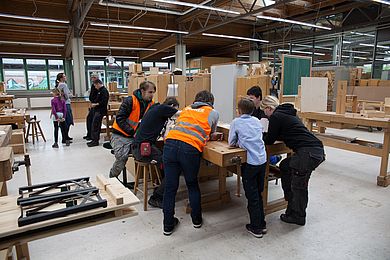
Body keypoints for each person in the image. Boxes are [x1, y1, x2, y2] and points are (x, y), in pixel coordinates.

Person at [260, 95, 325, 226]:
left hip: (308, 153)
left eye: (264, 111)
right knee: (285, 165)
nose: (265, 115)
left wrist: (259, 137)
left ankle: (298, 216)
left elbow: (269, 140)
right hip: (315, 150)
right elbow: (284, 132)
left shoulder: (276, 116)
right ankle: (290, 204)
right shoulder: (287, 114)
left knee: (299, 186)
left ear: (268, 108)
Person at [162, 90, 220, 236]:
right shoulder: (213, 112)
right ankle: (196, 220)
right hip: (190, 148)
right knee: (192, 185)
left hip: (170, 145)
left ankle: (168, 225)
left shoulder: (186, 109)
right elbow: (210, 133)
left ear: (195, 100)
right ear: (211, 102)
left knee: (170, 188)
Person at [228, 98, 267, 238]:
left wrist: (238, 143)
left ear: (238, 110)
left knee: (252, 196)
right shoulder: (257, 121)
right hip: (262, 160)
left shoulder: (236, 122)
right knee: (259, 192)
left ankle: (255, 227)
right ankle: (261, 224)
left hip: (250, 162)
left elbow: (231, 141)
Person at [132, 97, 179, 208]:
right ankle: (156, 197)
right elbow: (180, 114)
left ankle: (163, 189)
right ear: (170, 107)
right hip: (142, 150)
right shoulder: (161, 109)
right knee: (172, 167)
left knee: (166, 161)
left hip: (141, 147)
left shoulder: (155, 109)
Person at [109, 81, 156, 180]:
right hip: (120, 135)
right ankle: (112, 178)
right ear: (142, 91)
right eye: (150, 92)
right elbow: (120, 119)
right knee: (122, 157)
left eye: (153, 93)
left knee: (146, 153)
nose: (152, 95)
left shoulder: (151, 104)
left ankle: (149, 179)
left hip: (134, 136)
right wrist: (132, 131)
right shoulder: (130, 101)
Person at [247, 86, 281, 165]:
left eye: (251, 98)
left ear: (258, 97)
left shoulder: (264, 111)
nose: (249, 101)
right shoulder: (253, 110)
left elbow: (264, 130)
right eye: (249, 99)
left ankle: (274, 158)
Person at [87, 79, 109, 147]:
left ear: (98, 84)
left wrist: (96, 104)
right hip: (96, 109)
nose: (95, 87)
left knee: (96, 125)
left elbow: (104, 101)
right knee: (94, 124)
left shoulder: (104, 91)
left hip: (100, 110)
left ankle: (95, 141)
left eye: (95, 86)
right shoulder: (99, 91)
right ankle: (94, 139)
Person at [56, 73, 73, 143]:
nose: (65, 77)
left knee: (64, 121)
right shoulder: (63, 84)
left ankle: (65, 136)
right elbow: (67, 95)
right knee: (67, 121)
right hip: (66, 104)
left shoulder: (59, 85)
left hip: (61, 104)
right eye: (64, 76)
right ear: (61, 78)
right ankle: (65, 137)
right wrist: (70, 95)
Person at [84, 73, 99, 141]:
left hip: (96, 106)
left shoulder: (98, 86)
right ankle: (89, 134)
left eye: (93, 77)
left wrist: (95, 104)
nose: (92, 78)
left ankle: (91, 136)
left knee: (92, 121)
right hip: (92, 105)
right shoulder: (93, 85)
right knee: (89, 119)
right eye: (91, 77)